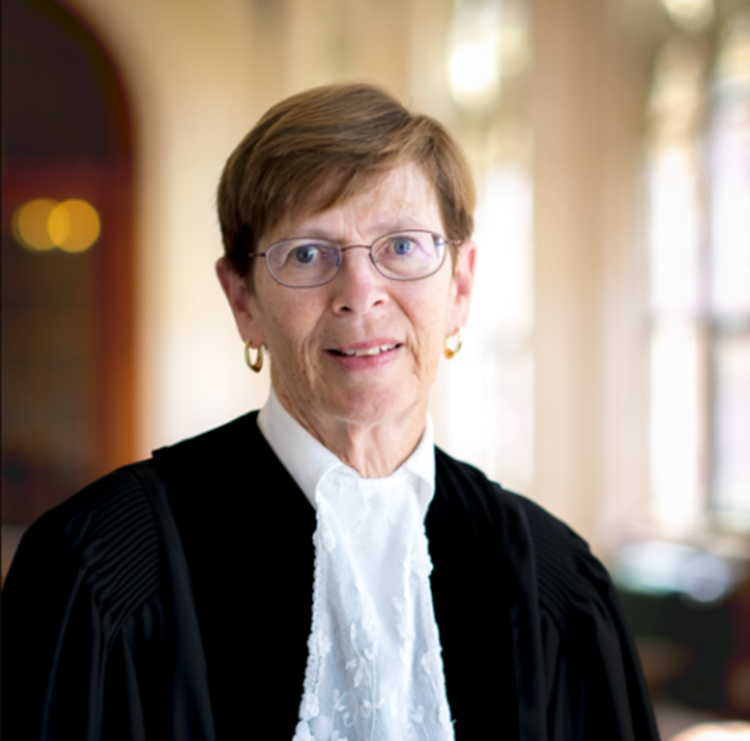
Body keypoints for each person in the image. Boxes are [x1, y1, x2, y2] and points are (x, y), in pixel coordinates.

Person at [2, 83, 659, 740]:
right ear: (243, 302)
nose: (360, 294)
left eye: (402, 246)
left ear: (460, 286)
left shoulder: (554, 583)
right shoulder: (99, 569)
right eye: (308, 253)